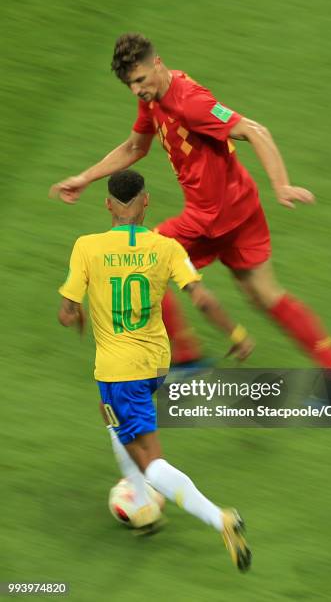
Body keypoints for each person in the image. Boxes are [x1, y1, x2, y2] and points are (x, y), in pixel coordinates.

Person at [51, 32, 331, 379]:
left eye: (139, 80)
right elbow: (135, 148)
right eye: (130, 85)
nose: (136, 89)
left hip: (210, 217)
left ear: (158, 64)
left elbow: (256, 130)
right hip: (241, 206)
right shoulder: (152, 97)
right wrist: (84, 177)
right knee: (265, 296)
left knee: (143, 263)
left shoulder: (189, 101)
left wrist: (281, 184)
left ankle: (185, 359)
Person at [58, 169, 252, 572]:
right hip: (155, 363)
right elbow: (200, 298)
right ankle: (144, 506)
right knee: (111, 417)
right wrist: (235, 332)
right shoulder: (167, 248)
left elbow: (66, 313)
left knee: (151, 462)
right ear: (146, 202)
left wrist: (75, 313)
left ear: (108, 204)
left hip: (119, 368)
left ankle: (221, 519)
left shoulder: (86, 247)